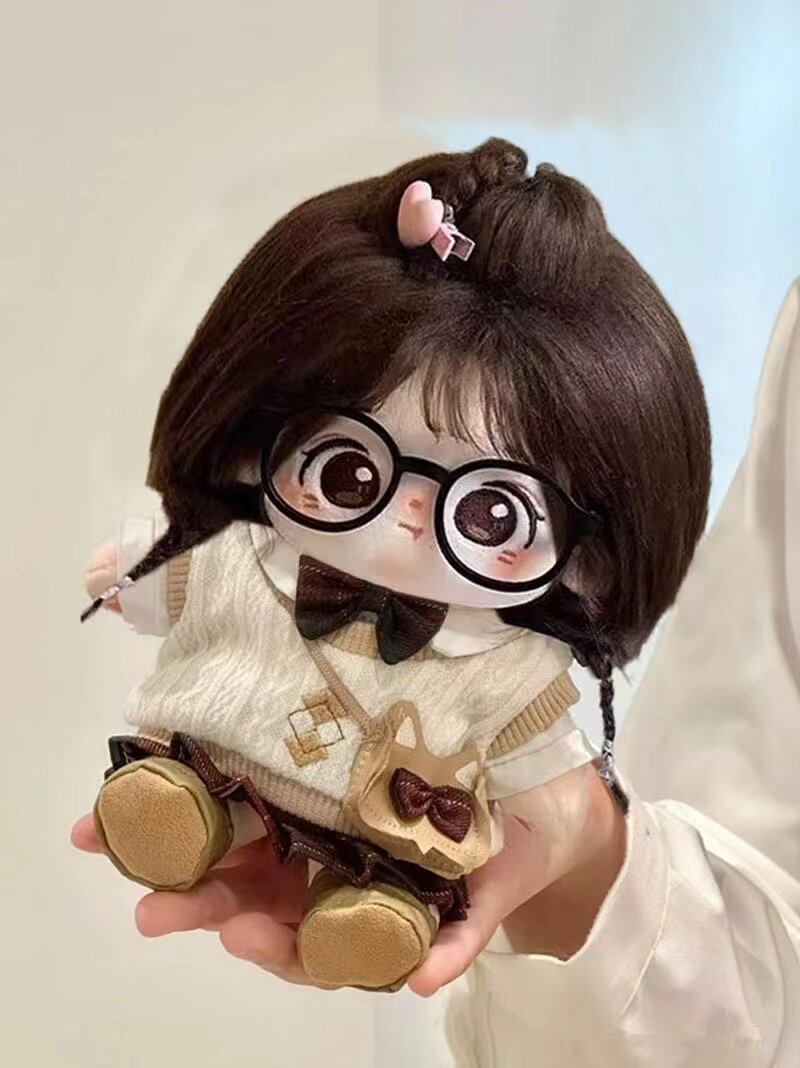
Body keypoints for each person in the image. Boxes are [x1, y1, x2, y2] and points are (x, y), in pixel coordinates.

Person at [70, 141, 798, 1061]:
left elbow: (562, 780)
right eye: (349, 471)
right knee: (191, 785)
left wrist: (573, 832)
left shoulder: (503, 666)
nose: (411, 519)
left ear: (587, 560)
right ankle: (181, 807)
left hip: (382, 830)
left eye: (491, 513)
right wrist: (133, 572)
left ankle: (378, 912)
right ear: (256, 446)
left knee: (396, 874)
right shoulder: (247, 569)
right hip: (229, 760)